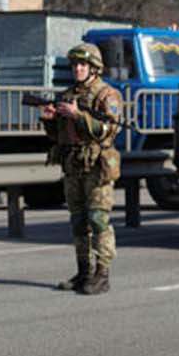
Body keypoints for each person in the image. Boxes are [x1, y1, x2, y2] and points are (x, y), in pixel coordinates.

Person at [39, 43, 123, 295]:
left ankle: (102, 274)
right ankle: (83, 271)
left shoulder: (106, 95)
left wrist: (78, 116)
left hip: (97, 165)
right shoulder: (67, 95)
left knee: (98, 219)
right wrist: (49, 120)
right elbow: (59, 136)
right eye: (75, 65)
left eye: (83, 65)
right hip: (73, 164)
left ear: (94, 68)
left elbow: (108, 129)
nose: (77, 69)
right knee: (78, 221)